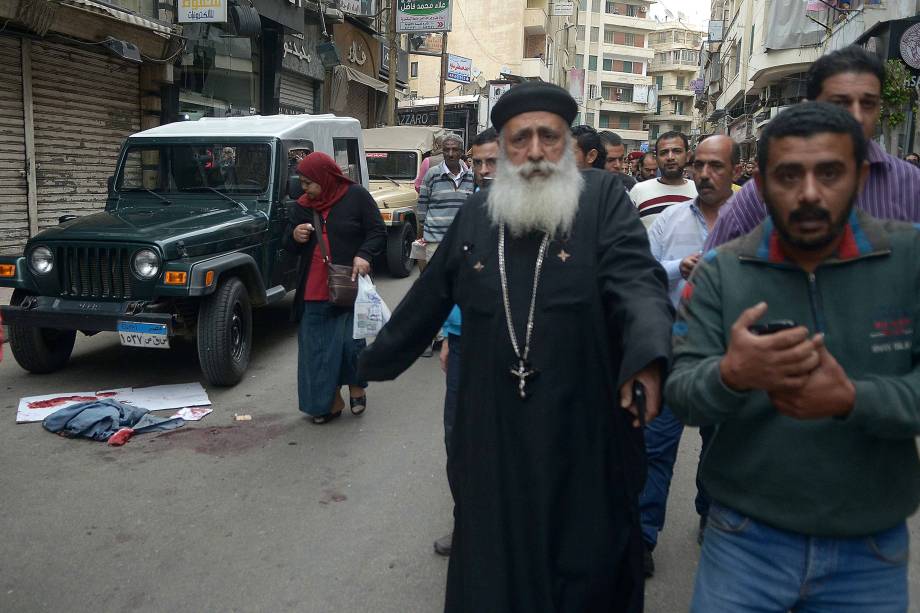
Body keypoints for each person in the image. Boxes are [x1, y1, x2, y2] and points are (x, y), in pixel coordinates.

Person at [359, 81, 673, 612]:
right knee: (495, 574)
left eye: (548, 137)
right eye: (519, 138)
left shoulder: (601, 203)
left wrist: (647, 354)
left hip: (585, 430)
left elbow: (638, 283)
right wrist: (365, 362)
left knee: (586, 572)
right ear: (502, 149)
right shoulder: (477, 215)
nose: (533, 151)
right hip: (495, 433)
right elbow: (427, 299)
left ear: (568, 144)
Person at [667, 101, 920, 612]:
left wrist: (854, 398)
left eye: (829, 173)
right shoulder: (722, 272)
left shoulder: (908, 260)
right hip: (743, 542)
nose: (808, 193)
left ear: (859, 176)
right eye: (788, 175)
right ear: (759, 181)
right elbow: (682, 395)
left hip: (869, 549)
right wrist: (731, 375)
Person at [639, 134, 741, 576]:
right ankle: (642, 536)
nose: (704, 174)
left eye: (716, 166)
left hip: (729, 355)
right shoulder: (669, 221)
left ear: (736, 171)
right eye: (699, 165)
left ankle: (711, 515)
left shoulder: (753, 221)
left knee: (721, 448)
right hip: (673, 350)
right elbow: (639, 275)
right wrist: (674, 268)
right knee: (654, 449)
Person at [705, 45, 920, 250]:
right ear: (811, 105)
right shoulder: (764, 190)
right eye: (841, 103)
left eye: (868, 104)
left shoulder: (910, 185)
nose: (856, 116)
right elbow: (713, 272)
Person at [282, 152, 386, 424]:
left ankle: (356, 386)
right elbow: (288, 246)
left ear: (325, 178)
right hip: (313, 289)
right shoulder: (302, 206)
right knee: (316, 350)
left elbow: (377, 231)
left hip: (348, 284)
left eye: (308, 183)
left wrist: (364, 254)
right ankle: (327, 401)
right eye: (301, 183)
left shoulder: (356, 196)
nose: (304, 189)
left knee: (350, 345)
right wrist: (295, 236)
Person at [433, 127, 498, 557]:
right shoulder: (469, 214)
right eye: (478, 163)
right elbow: (452, 283)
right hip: (462, 345)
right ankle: (467, 525)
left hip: (514, 350)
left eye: (494, 162)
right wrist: (445, 335)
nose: (484, 170)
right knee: (458, 439)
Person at [417, 133, 475, 273]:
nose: (450, 154)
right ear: (442, 151)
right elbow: (422, 208)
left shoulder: (471, 177)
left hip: (462, 242)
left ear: (461, 153)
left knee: (459, 286)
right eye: (446, 150)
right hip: (436, 241)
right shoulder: (432, 174)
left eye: (455, 150)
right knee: (436, 285)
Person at [629, 132, 698, 228]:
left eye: (677, 151)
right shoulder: (639, 191)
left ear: (688, 156)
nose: (670, 157)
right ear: (656, 158)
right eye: (663, 153)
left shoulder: (699, 192)